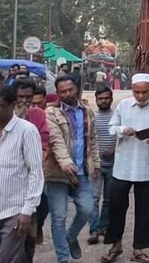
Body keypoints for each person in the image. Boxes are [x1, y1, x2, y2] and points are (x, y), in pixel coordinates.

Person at [102, 74, 149, 263]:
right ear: (132, 90)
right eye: (137, 92)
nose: (141, 96)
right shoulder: (124, 105)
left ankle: (139, 249)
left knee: (146, 210)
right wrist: (122, 130)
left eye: (144, 92)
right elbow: (112, 127)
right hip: (123, 167)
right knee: (117, 207)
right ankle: (115, 245)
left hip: (147, 167)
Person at [44, 75, 100, 263]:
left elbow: (92, 140)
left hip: (81, 172)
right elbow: (56, 140)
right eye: (62, 91)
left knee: (87, 209)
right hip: (57, 174)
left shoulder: (87, 112)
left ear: (76, 88)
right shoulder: (51, 113)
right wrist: (66, 162)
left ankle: (71, 236)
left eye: (70, 90)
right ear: (58, 93)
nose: (67, 94)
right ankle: (63, 258)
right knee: (58, 217)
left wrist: (96, 164)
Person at [0, 84, 44, 263]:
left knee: (8, 258)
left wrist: (27, 211)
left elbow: (35, 172)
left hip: (14, 211)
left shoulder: (27, 131)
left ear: (12, 105)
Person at [13, 79, 51, 260]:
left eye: (29, 97)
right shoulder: (6, 113)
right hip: (10, 179)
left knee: (42, 205)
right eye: (21, 97)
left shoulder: (38, 115)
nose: (25, 101)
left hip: (33, 174)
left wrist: (40, 154)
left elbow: (45, 140)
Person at [87, 87, 116, 245]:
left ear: (111, 99)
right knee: (94, 198)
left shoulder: (117, 117)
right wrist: (94, 159)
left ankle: (104, 226)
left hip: (113, 165)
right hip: (96, 165)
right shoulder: (92, 117)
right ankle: (94, 230)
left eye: (106, 98)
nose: (104, 101)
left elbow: (122, 137)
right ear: (96, 99)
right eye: (101, 98)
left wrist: (114, 149)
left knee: (109, 199)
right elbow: (88, 140)